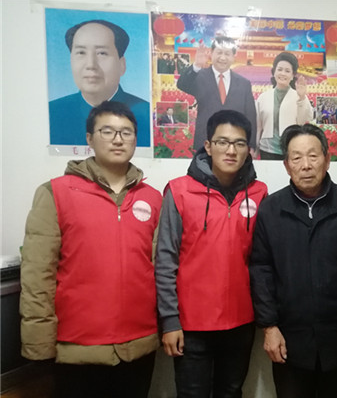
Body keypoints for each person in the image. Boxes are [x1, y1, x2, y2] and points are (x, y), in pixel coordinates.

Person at [20, 101, 162, 398]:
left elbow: (160, 269)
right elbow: (37, 276)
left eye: (126, 132)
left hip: (139, 345)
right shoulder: (56, 192)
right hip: (77, 348)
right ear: (89, 138)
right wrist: (39, 344)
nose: (118, 139)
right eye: (107, 131)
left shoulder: (152, 198)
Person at [249, 123, 337, 398]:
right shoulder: (271, 209)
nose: (306, 165)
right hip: (290, 340)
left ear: (327, 159)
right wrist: (269, 327)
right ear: (287, 165)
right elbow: (261, 269)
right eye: (297, 157)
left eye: (313, 155)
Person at [155, 109, 268, 397]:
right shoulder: (179, 191)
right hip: (191, 324)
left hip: (241, 322)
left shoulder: (259, 193)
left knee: (231, 392)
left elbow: (263, 260)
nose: (231, 150)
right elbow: (165, 260)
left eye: (239, 143)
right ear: (208, 146)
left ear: (248, 149)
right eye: (222, 142)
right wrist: (169, 320)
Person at [49, 20, 150, 146]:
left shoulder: (146, 114)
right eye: (81, 53)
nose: (91, 65)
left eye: (102, 53)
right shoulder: (52, 112)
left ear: (122, 65)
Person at [177, 36, 257, 151]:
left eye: (227, 54)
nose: (222, 58)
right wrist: (196, 66)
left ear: (233, 56)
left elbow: (250, 116)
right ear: (211, 53)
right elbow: (182, 84)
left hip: (234, 145)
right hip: (205, 142)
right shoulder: (199, 76)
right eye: (219, 52)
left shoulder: (244, 83)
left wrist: (251, 145)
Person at [255, 52, 313, 160]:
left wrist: (301, 98)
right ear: (274, 72)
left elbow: (302, 122)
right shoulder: (263, 97)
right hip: (267, 150)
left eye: (287, 71)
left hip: (291, 149)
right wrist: (255, 149)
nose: (283, 73)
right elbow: (259, 127)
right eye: (280, 69)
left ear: (293, 75)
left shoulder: (299, 96)